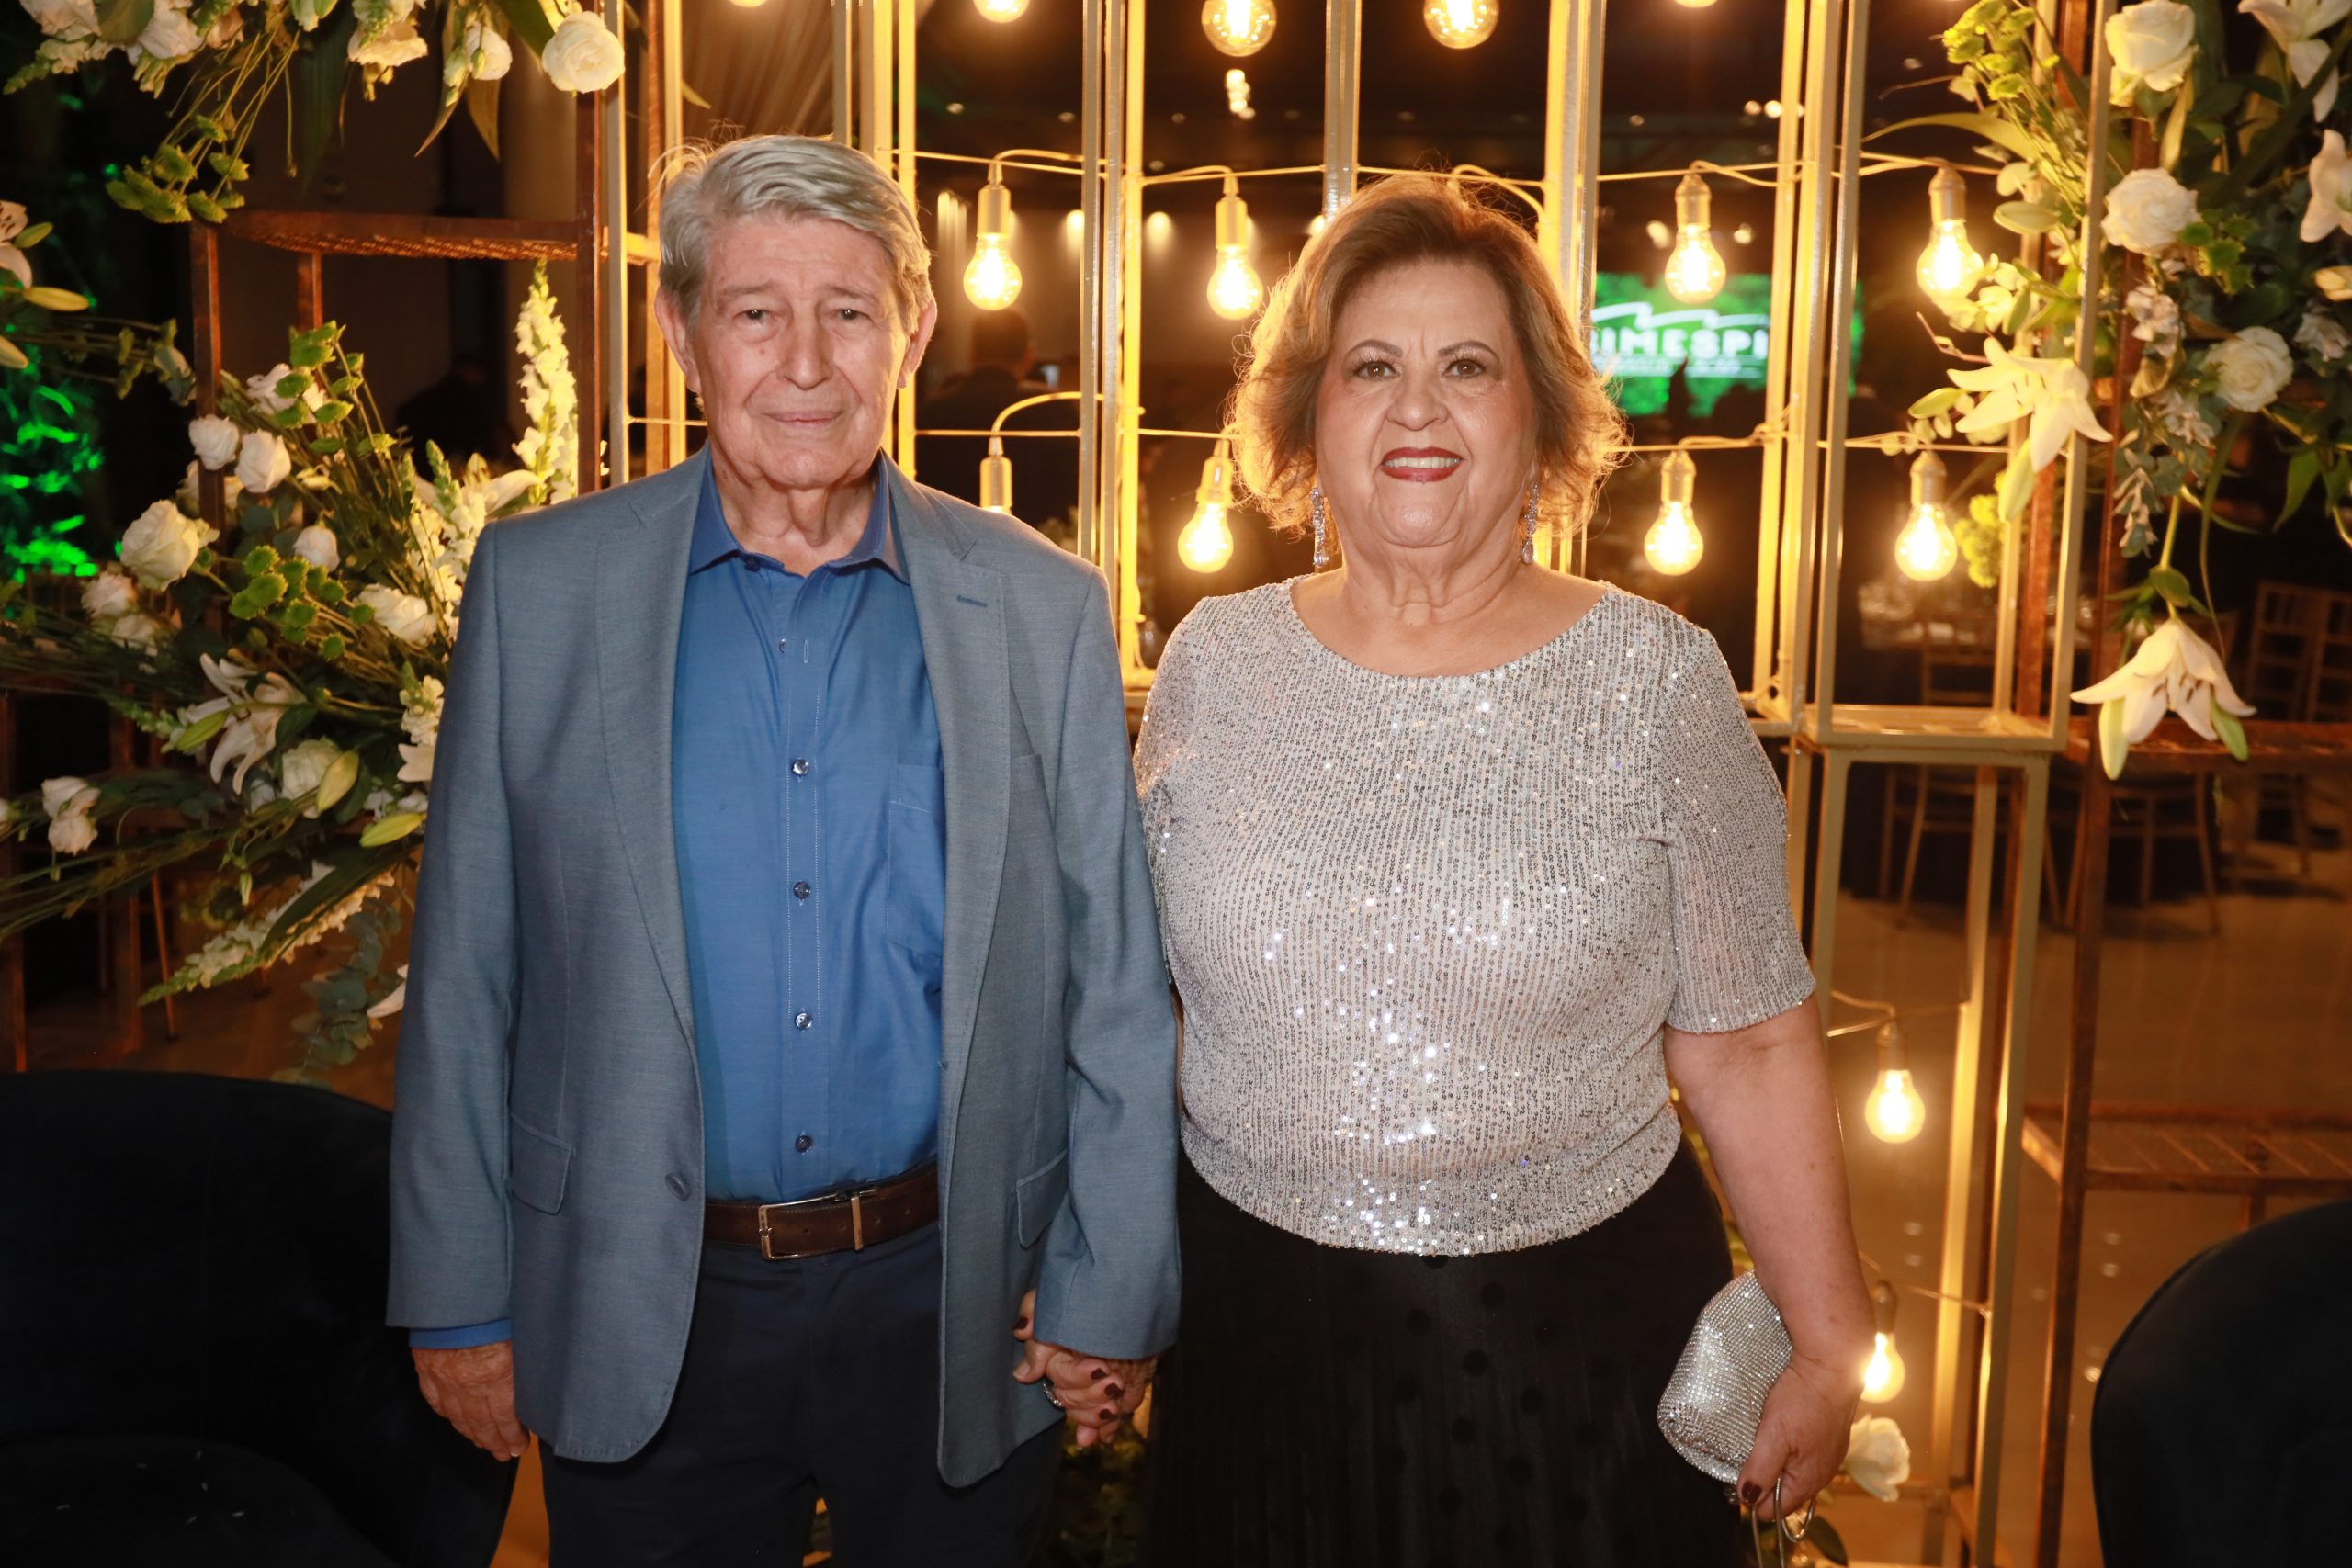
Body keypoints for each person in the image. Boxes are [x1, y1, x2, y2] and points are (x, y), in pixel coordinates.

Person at [386, 134, 1180, 1567]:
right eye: (757, 311)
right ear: (682, 330)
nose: (805, 362)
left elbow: (1116, 987)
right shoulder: (542, 589)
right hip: (640, 1288)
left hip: (957, 1300)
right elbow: (465, 972)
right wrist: (456, 1292)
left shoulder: (1043, 607)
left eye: (849, 311)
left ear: (912, 334)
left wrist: (1108, 1280)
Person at [1136, 174, 1871, 1567]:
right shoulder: (1212, 666)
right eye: (1372, 368)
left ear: (1536, 415)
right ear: (1307, 416)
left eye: (1466, 367)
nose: (1417, 408)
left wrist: (1831, 1344)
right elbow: (1153, 1012)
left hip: (1571, 1349)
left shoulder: (1657, 685)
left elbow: (1752, 1041)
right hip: (1256, 1333)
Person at [921, 308, 1080, 535]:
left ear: (971, 352)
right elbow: (1075, 498)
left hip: (945, 546)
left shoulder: (931, 414)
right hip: (1039, 547)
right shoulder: (1055, 411)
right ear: (1029, 356)